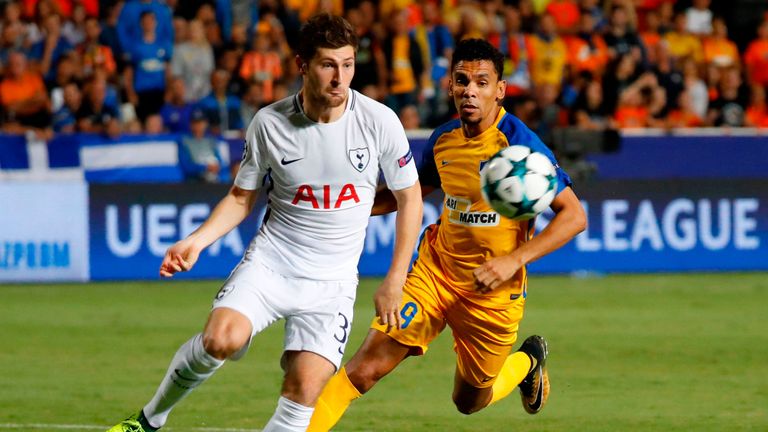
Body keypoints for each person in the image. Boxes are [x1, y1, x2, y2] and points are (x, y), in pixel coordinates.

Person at [106, 13, 422, 432]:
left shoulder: (379, 122)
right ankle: (150, 419)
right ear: (302, 65)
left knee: (305, 387)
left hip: (332, 284)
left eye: (347, 64)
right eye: (328, 64)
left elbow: (410, 198)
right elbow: (241, 197)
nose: (339, 78)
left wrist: (394, 279)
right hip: (272, 265)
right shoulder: (270, 124)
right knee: (222, 339)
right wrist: (197, 241)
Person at [308, 38, 587, 431]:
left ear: (500, 90)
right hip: (435, 274)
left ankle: (527, 362)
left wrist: (512, 259)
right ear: (450, 86)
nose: (470, 91)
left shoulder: (520, 144)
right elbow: (409, 194)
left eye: (482, 82)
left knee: (470, 401)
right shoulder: (444, 140)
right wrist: (338, 202)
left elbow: (574, 216)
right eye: (461, 80)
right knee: (364, 370)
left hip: (493, 293)